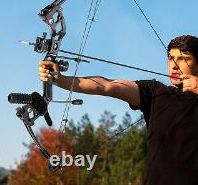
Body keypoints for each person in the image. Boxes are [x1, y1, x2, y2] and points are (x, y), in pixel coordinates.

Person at [39, 35, 198, 185]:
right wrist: (61, 80)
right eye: (171, 58)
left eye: (184, 59)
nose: (174, 65)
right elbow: (108, 85)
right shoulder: (155, 91)